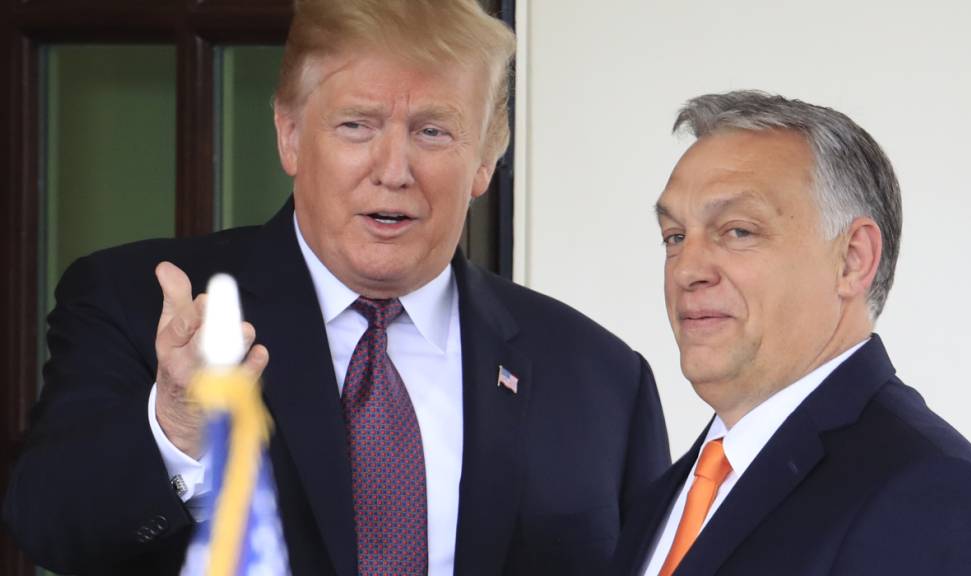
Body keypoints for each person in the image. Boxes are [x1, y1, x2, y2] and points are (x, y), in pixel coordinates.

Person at [2, 1, 670, 574]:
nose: (394, 169)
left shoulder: (600, 379)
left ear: (486, 162)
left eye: (433, 131)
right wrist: (176, 428)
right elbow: (49, 528)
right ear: (289, 135)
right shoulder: (139, 304)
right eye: (357, 125)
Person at [612, 91, 971, 576]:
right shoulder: (665, 496)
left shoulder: (932, 494)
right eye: (675, 237)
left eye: (738, 231)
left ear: (853, 259)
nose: (687, 270)